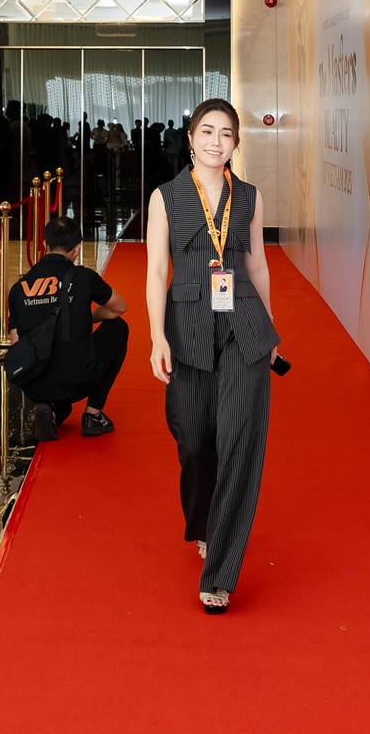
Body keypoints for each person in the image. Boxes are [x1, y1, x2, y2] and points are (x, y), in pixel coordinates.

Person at [145, 100, 281, 615]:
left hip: (245, 325)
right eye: (207, 131)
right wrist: (157, 337)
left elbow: (257, 265)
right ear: (190, 137)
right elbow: (157, 270)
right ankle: (201, 521)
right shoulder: (166, 197)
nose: (215, 141)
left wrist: (271, 329)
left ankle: (220, 574)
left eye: (226, 134)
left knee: (239, 445)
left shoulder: (249, 197)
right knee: (195, 439)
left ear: (236, 143)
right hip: (188, 327)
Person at [8, 214, 129, 441]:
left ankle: (49, 404)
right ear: (77, 248)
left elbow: (17, 345)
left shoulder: (18, 287)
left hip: (33, 383)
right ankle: (93, 415)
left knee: (42, 356)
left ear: (45, 244)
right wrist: (84, 319)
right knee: (118, 328)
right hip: (77, 379)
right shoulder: (84, 277)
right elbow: (119, 308)